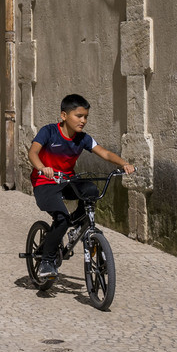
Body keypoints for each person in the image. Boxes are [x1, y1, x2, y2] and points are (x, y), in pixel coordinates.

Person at [29, 93, 135, 278]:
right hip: (45, 182)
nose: (83, 120)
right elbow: (33, 153)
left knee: (92, 190)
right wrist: (42, 167)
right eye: (79, 116)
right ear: (64, 116)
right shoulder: (49, 132)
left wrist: (123, 163)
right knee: (61, 218)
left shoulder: (83, 138)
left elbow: (105, 153)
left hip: (68, 180)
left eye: (85, 117)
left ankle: (74, 223)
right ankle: (47, 261)